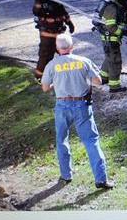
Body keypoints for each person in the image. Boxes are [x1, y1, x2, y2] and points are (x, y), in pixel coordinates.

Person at [41, 33, 114, 189]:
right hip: (82, 106)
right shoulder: (84, 62)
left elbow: (45, 87)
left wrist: (57, 83)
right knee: (91, 141)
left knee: (62, 140)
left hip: (62, 106)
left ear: (57, 48)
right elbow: (98, 82)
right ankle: (101, 179)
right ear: (72, 47)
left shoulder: (51, 65)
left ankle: (66, 175)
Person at [93, 0, 127, 93]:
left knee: (109, 57)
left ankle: (103, 78)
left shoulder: (120, 6)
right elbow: (111, 27)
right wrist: (124, 32)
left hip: (112, 38)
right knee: (115, 61)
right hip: (110, 38)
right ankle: (115, 87)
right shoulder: (112, 8)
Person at [33, 0, 75, 82]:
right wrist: (38, 0)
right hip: (47, 36)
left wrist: (70, 23)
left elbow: (64, 13)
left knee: (65, 54)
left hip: (59, 35)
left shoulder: (57, 2)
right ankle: (40, 78)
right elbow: (36, 11)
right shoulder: (42, 3)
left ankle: (66, 76)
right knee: (45, 56)